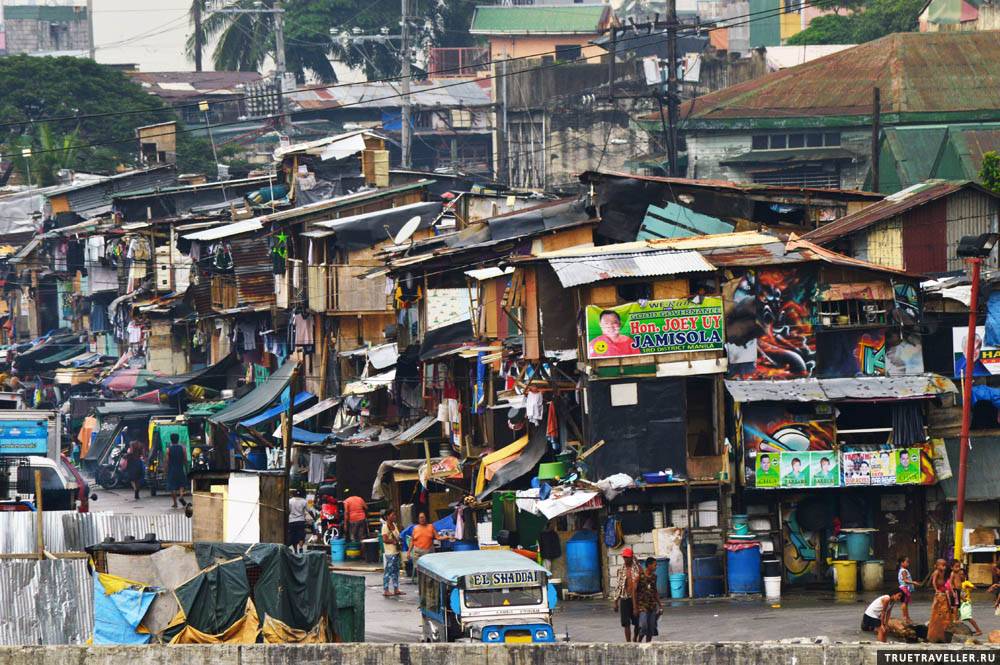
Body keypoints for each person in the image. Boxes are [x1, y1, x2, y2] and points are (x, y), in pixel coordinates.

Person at [613, 547, 642, 642]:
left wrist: (637, 563)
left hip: (636, 598)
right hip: (624, 597)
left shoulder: (636, 567)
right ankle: (628, 643)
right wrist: (615, 601)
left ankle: (635, 638)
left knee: (638, 622)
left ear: (631, 557)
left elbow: (643, 576)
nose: (626, 559)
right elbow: (618, 586)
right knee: (626, 623)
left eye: (627, 557)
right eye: (624, 557)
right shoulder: (621, 569)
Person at [632, 557, 662, 643]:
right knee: (644, 625)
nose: (656, 567)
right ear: (649, 565)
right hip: (642, 605)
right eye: (654, 565)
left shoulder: (654, 577)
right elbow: (634, 591)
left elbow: (655, 591)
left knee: (651, 627)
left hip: (652, 605)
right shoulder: (640, 576)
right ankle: (639, 642)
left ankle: (647, 645)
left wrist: (660, 605)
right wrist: (635, 607)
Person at [381, 509, 404, 597]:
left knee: (396, 571)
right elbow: (384, 539)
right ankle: (386, 590)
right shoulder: (385, 526)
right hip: (390, 553)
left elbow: (397, 536)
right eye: (392, 515)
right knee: (388, 571)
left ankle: (396, 589)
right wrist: (393, 541)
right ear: (387, 516)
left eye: (394, 515)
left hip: (396, 551)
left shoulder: (394, 525)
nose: (394, 517)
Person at [927, 558, 951, 643]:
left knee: (946, 605)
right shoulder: (936, 572)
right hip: (939, 590)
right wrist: (936, 589)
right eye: (942, 565)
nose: (944, 567)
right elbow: (933, 582)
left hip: (942, 588)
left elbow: (943, 581)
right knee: (937, 606)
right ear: (937, 566)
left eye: (945, 565)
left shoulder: (943, 572)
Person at [164, 433, 189, 509]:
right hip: (180, 469)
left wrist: (165, 470)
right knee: (182, 484)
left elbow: (167, 461)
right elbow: (185, 460)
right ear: (178, 439)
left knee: (172, 487)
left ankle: (175, 503)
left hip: (172, 470)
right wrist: (186, 468)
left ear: (171, 440)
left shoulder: (168, 449)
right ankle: (181, 496)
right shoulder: (183, 448)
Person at [897, 556, 919, 624]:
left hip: (904, 588)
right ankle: (905, 618)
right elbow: (905, 580)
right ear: (902, 563)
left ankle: (907, 617)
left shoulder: (902, 570)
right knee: (904, 603)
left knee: (906, 603)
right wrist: (914, 582)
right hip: (904, 588)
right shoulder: (903, 571)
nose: (908, 563)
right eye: (906, 562)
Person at [287, 489, 309, 553]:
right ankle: (301, 548)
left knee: (294, 536)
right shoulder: (304, 501)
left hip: (291, 521)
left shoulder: (290, 501)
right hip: (301, 521)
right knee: (301, 535)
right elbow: (308, 510)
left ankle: (295, 550)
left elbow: (288, 510)